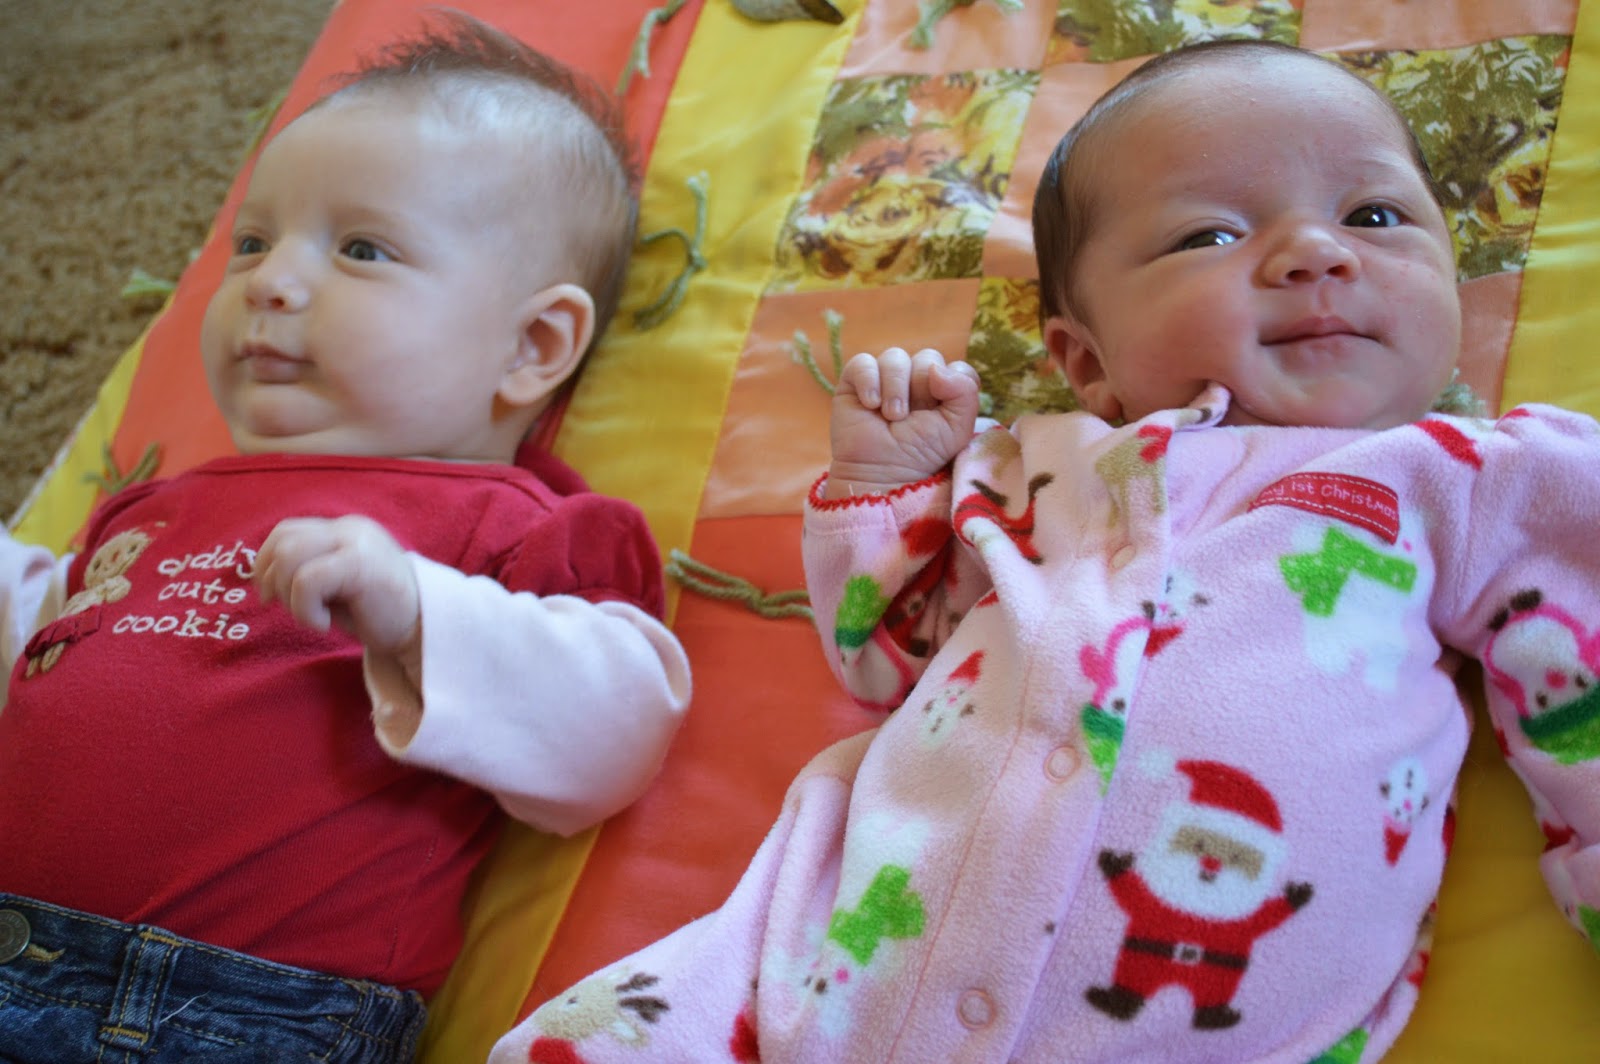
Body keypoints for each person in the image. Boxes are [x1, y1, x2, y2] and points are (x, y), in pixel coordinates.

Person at [490, 38, 1600, 1064]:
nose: (1315, 251)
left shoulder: (1469, 477)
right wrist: (882, 489)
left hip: (1200, 1008)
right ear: (1086, 363)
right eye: (1210, 235)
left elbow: (1579, 686)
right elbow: (890, 657)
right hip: (829, 965)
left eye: (1374, 215)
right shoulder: (1032, 464)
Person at [0, 13, 691, 1064]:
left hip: (225, 1009)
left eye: (362, 249)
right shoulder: (155, 506)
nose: (270, 281)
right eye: (251, 242)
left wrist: (416, 608)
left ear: (532, 344)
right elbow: (49, 637)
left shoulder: (514, 525)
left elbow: (618, 730)